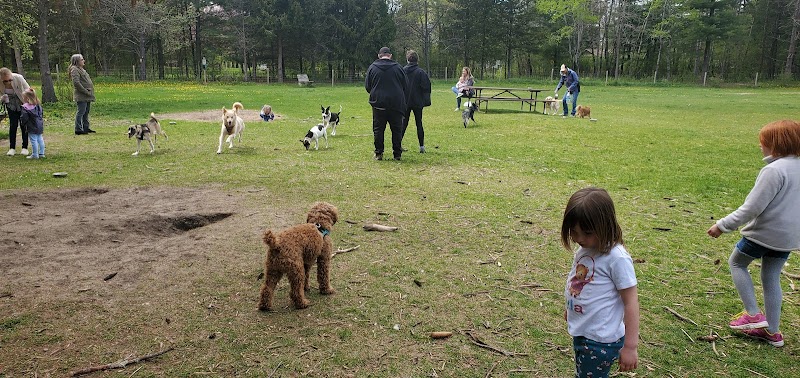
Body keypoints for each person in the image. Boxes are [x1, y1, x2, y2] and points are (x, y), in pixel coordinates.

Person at [707, 120, 800, 348]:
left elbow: (751, 208)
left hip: (764, 234)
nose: (761, 147)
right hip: (788, 238)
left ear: (777, 145)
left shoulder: (774, 171)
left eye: (764, 143)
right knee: (771, 277)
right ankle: (773, 332)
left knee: (737, 263)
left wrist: (722, 225)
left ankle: (753, 315)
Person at [562, 187, 639, 377]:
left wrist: (630, 346)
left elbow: (631, 302)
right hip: (584, 332)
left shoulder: (617, 258)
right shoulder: (586, 249)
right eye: (574, 231)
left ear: (605, 225)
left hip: (600, 340)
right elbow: (579, 284)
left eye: (586, 233)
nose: (579, 238)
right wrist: (570, 307)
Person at [365, 46, 408, 161]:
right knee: (397, 129)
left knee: (378, 129)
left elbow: (368, 86)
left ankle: (379, 153)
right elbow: (405, 85)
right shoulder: (398, 68)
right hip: (396, 103)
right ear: (390, 56)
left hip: (378, 103)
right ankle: (397, 154)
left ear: (379, 56)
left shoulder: (372, 68)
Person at [402, 50, 432, 154]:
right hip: (417, 102)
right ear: (417, 60)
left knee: (403, 123)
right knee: (419, 123)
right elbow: (426, 87)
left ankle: (398, 144)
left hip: (405, 101)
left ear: (407, 59)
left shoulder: (402, 71)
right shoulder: (421, 72)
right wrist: (425, 100)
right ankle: (421, 146)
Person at [1, 67, 31, 156]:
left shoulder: (18, 78)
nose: (8, 82)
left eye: (10, 80)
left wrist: (29, 102)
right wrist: (2, 98)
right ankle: (12, 148)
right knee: (13, 125)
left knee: (24, 125)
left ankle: (25, 147)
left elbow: (28, 89)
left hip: (22, 103)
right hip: (10, 104)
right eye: (5, 81)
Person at [69, 54, 96, 135]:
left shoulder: (81, 69)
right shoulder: (74, 69)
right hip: (81, 95)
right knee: (81, 112)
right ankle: (78, 129)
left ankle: (85, 127)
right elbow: (76, 83)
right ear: (76, 61)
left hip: (87, 95)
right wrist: (85, 91)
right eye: (82, 59)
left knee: (86, 112)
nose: (83, 61)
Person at [20, 89, 45, 159]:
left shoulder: (25, 107)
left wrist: (23, 123)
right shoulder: (38, 106)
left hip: (31, 125)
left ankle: (35, 154)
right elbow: (41, 114)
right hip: (39, 124)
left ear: (27, 98)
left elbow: (24, 117)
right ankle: (41, 153)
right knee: (40, 139)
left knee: (33, 140)